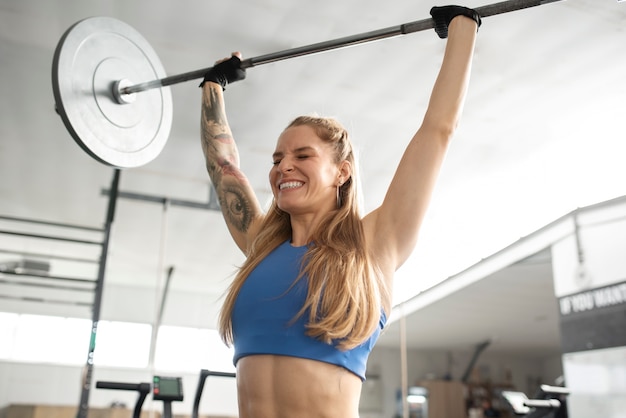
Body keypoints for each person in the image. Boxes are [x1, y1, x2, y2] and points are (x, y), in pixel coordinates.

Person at [199, 5, 481, 418]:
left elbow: (437, 131)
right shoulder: (261, 245)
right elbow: (223, 167)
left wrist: (462, 29)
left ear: (342, 172)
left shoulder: (374, 244)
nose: (283, 167)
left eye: (302, 155)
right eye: (277, 158)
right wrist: (213, 86)